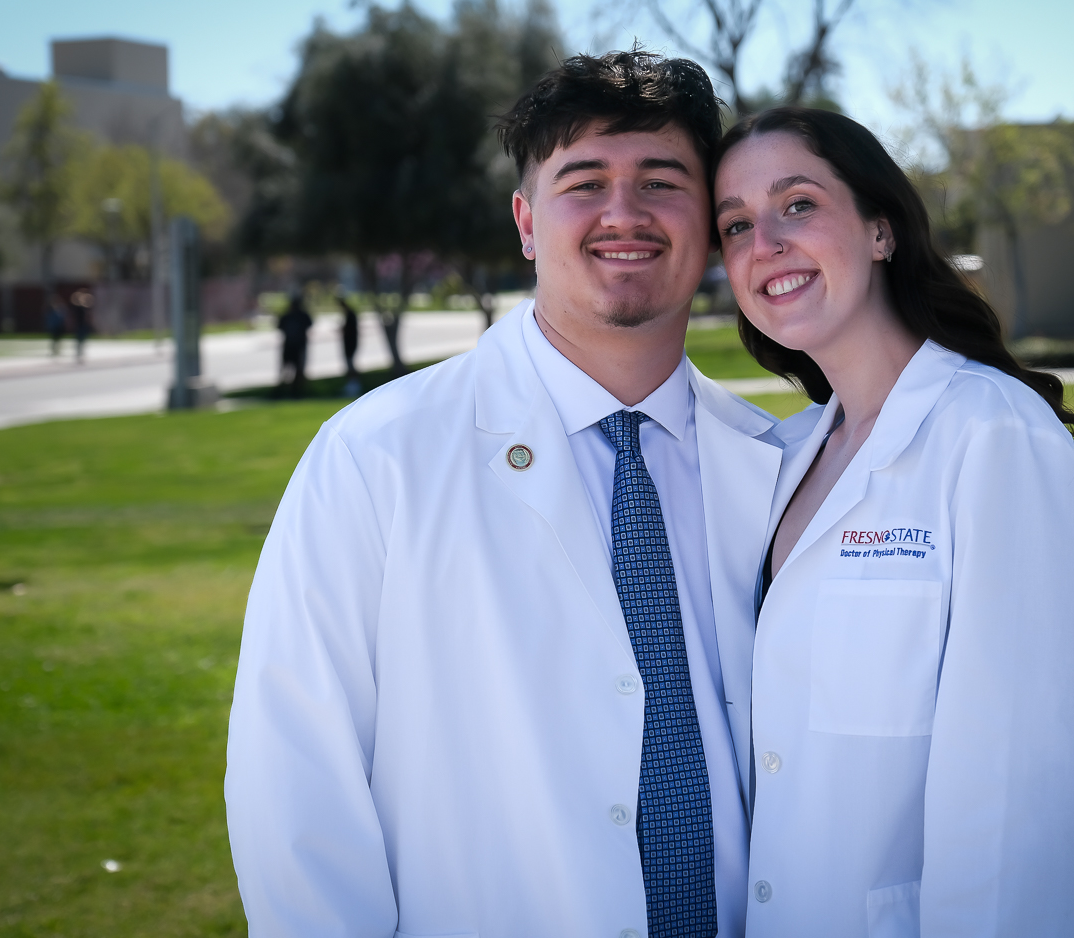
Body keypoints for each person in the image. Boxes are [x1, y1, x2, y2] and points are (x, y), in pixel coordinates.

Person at [226, 51, 782, 937]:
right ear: (526, 222)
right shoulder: (375, 458)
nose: (623, 213)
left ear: (710, 222)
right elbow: (296, 786)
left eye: (661, 182)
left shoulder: (779, 465)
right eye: (584, 181)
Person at [711, 107, 1074, 936]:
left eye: (798, 205)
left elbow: (1016, 789)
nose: (766, 243)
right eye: (735, 224)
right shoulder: (783, 456)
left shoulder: (992, 434)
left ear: (880, 230)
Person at [276, 294, 312, 398]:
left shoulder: (288, 316)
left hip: (293, 346)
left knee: (291, 370)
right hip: (295, 346)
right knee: (292, 370)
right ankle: (291, 391)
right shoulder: (300, 316)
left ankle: (293, 391)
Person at [336, 293, 361, 396]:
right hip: (349, 342)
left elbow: (350, 330)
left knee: (350, 364)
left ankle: (354, 385)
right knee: (349, 364)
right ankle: (352, 384)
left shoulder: (350, 315)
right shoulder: (349, 314)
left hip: (350, 343)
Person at [69, 287, 94, 364]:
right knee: (79, 340)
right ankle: (78, 354)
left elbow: (89, 305)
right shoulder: (77, 307)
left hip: (83, 326)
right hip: (79, 326)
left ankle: (81, 354)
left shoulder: (84, 308)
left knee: (82, 340)